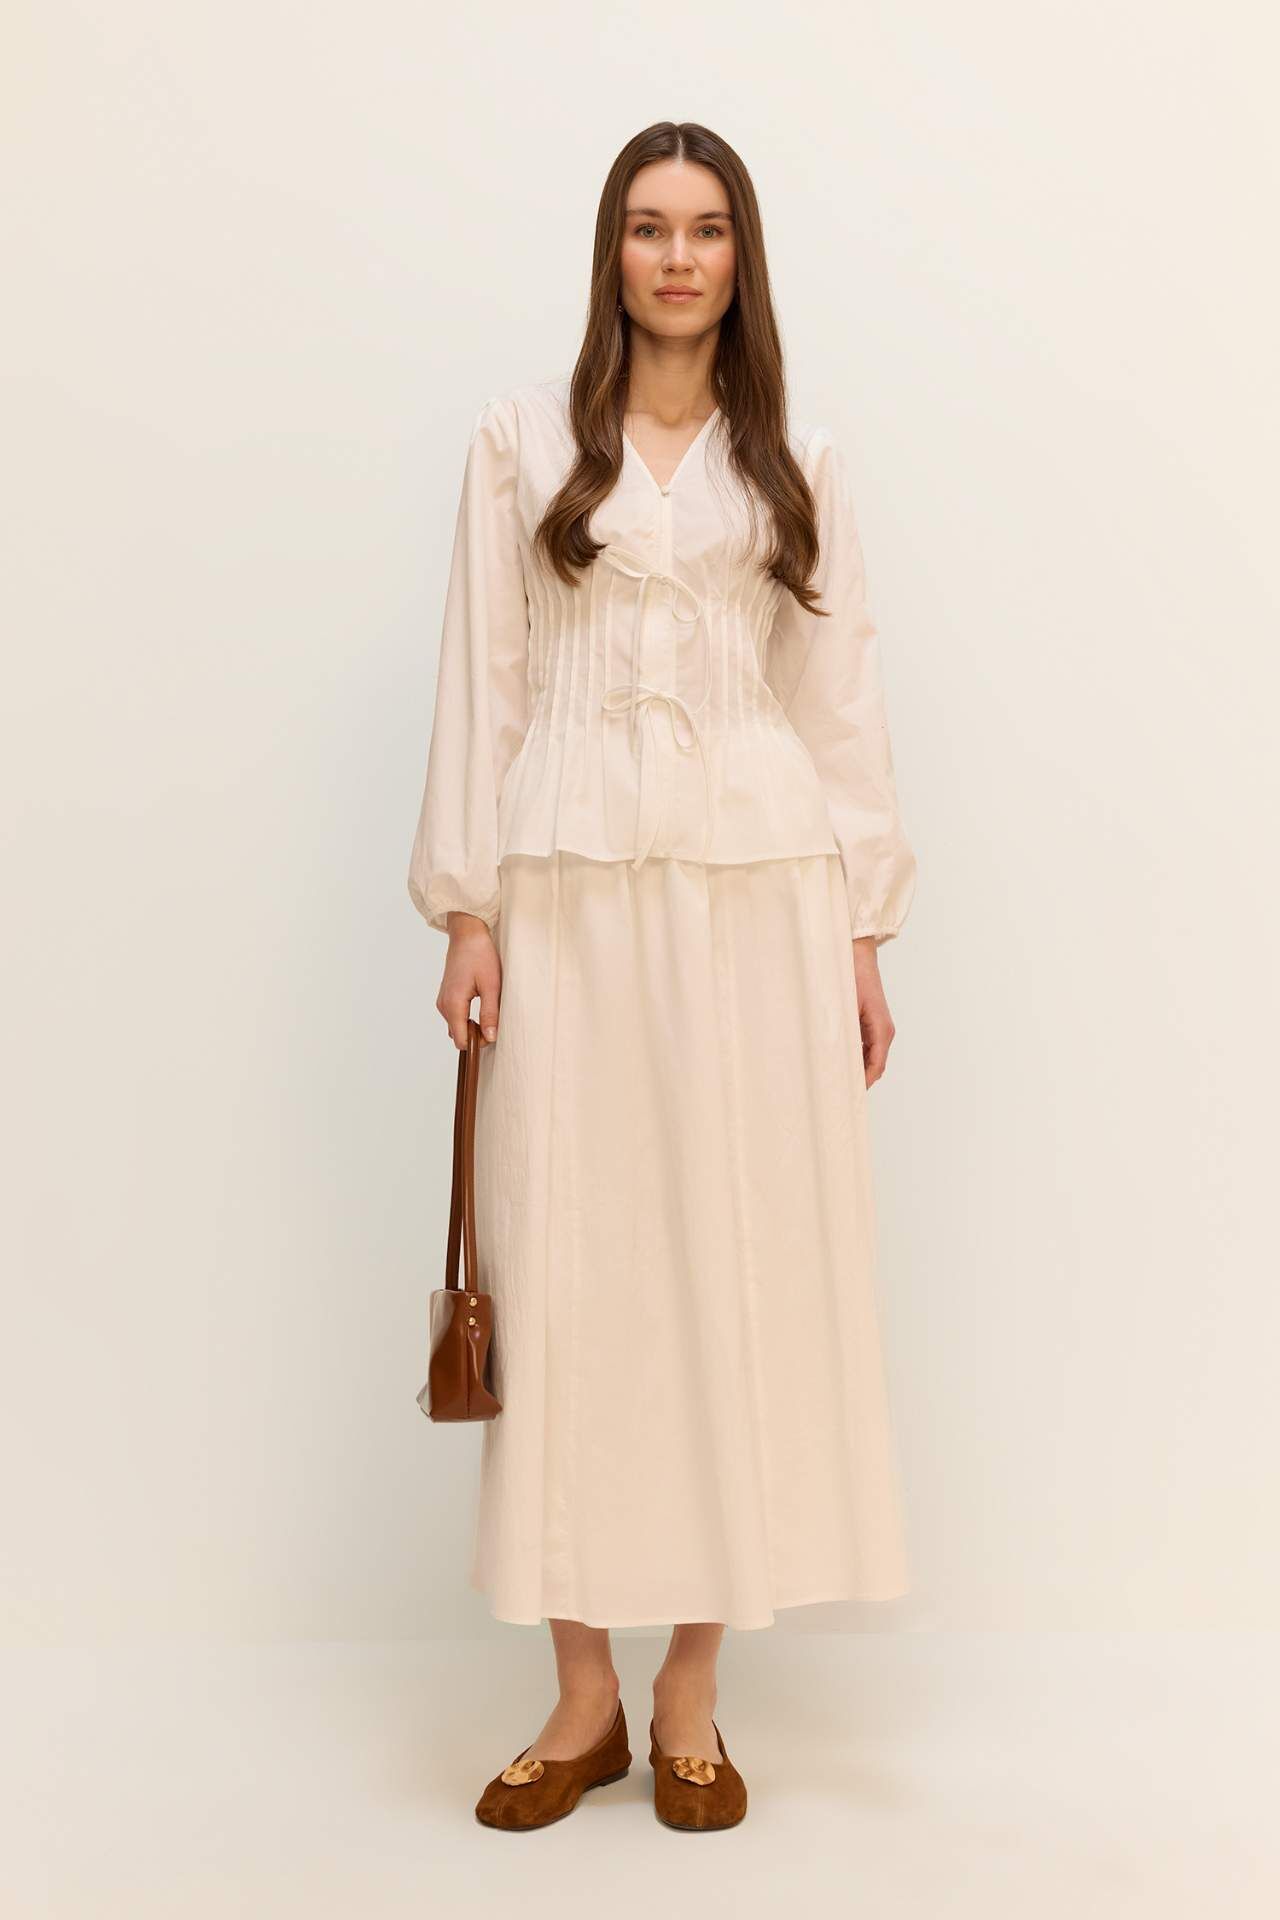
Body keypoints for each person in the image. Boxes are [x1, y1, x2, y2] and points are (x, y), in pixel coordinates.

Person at [407, 120, 918, 1833]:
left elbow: (840, 707)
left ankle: (692, 1686)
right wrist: (467, 910)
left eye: (705, 230)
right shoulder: (523, 444)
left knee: (732, 1262)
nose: (677, 257)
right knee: (566, 1268)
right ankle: (583, 1696)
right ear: (611, 251)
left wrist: (863, 936)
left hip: (759, 899)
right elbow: (483, 679)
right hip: (564, 890)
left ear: (739, 256)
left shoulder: (801, 459)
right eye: (647, 227)